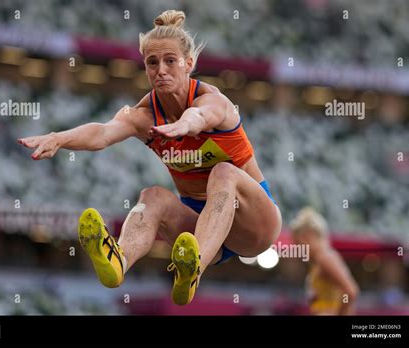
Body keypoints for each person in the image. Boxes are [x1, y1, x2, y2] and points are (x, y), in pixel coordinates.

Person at [18, 10, 282, 306]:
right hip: (201, 223)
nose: (161, 70)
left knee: (223, 171)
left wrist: (185, 124)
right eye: (152, 62)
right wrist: (59, 138)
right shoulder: (144, 116)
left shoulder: (214, 101)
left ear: (189, 64)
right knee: (152, 195)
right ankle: (119, 260)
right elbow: (103, 133)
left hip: (254, 222)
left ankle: (195, 265)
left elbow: (202, 114)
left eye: (171, 61)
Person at [290, 207, 360, 315]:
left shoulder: (325, 258)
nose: (299, 249)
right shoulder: (320, 260)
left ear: (308, 236)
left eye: (299, 244)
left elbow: (351, 291)